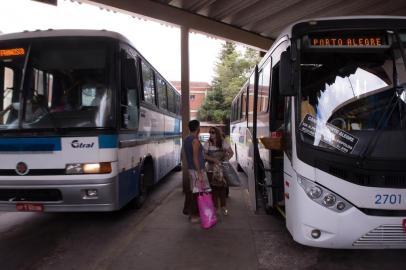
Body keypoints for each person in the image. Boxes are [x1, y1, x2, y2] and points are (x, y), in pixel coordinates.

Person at [183, 120, 211, 223]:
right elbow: (195, 158)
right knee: (197, 192)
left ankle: (190, 212)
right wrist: (199, 172)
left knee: (193, 191)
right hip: (196, 170)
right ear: (198, 128)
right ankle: (194, 215)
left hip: (192, 169)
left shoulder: (186, 139)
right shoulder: (195, 141)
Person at [204, 127, 234, 216]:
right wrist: (213, 159)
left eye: (213, 132)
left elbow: (231, 153)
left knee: (222, 188)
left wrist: (225, 160)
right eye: (210, 133)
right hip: (211, 169)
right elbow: (204, 156)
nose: (211, 134)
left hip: (222, 169)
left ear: (217, 133)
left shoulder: (224, 142)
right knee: (213, 188)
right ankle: (216, 207)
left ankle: (223, 207)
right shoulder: (207, 143)